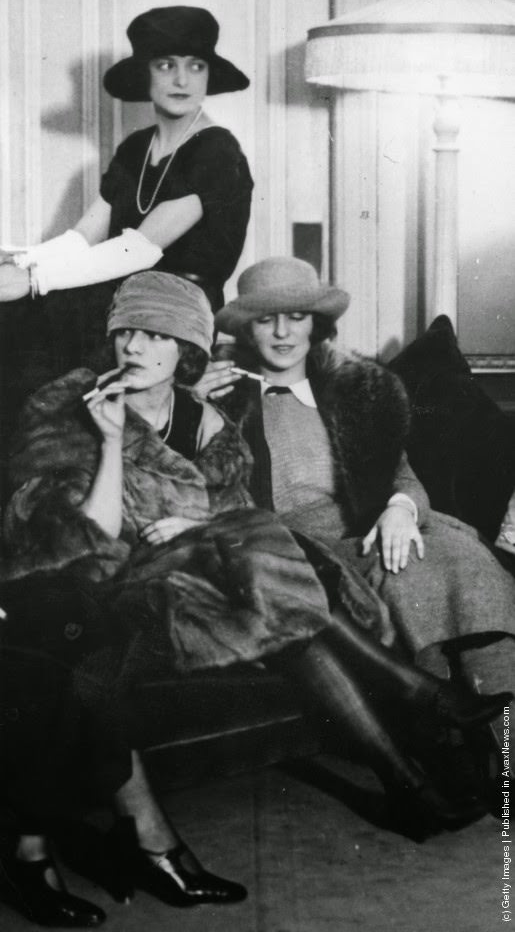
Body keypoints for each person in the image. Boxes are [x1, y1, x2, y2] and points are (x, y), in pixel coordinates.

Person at [0, 273, 507, 928]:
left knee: (274, 583)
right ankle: (418, 702)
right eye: (127, 331)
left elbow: (231, 513)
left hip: (187, 575)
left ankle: (411, 782)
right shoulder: (71, 406)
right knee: (269, 569)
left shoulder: (201, 415)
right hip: (99, 583)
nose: (137, 346)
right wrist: (106, 442)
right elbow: (76, 541)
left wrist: (196, 527)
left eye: (157, 334)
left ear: (184, 344)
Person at [201, 256, 515, 765]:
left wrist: (400, 509)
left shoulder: (358, 390)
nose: (283, 332)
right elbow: (195, 492)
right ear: (244, 328)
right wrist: (196, 411)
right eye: (265, 319)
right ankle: (454, 752)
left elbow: (403, 475)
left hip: (386, 528)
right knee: (407, 575)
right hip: (303, 552)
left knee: (468, 562)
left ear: (316, 324)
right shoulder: (222, 401)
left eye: (297, 317)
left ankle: (506, 758)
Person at [0, 6, 253, 427]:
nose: (181, 79)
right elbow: (82, 237)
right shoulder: (135, 148)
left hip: (176, 313)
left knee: (32, 338)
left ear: (209, 75)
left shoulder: (217, 150)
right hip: (121, 300)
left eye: (196, 66)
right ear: (147, 74)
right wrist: (19, 259)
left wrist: (31, 280)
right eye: (166, 65)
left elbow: (139, 248)